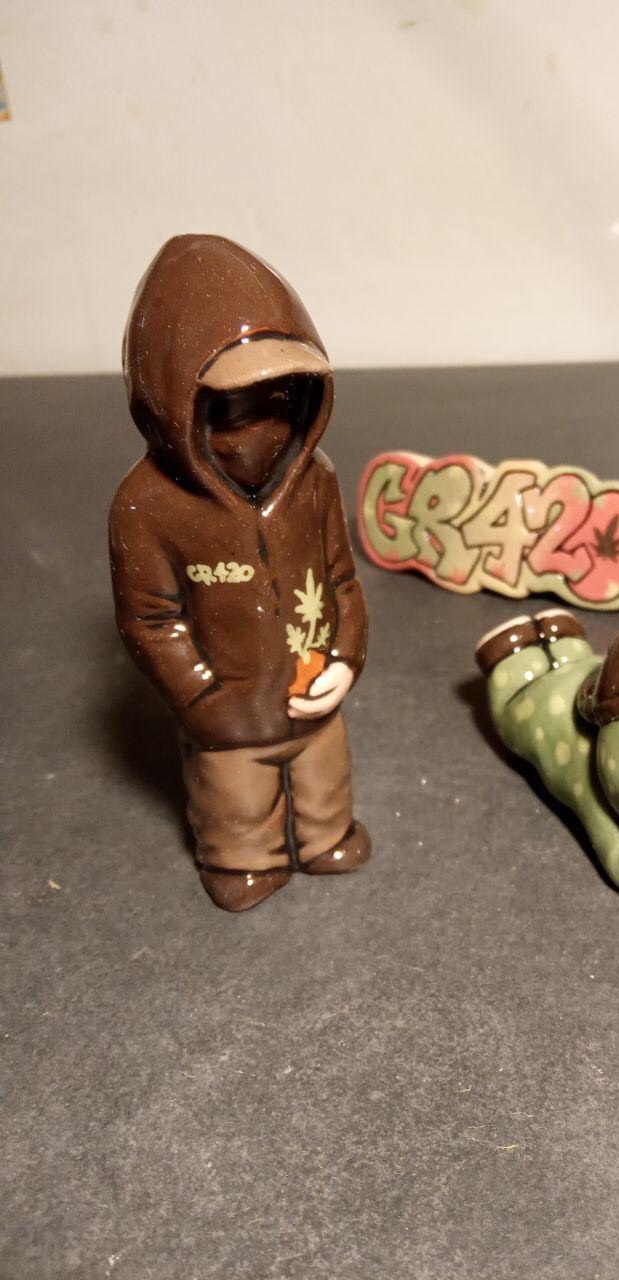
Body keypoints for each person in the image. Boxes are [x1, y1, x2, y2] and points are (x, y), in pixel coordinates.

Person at [110, 234, 370, 911]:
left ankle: (326, 837)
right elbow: (151, 620)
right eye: (230, 407)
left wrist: (345, 659)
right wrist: (204, 700)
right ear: (173, 402)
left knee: (324, 782)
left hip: (313, 695)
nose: (262, 428)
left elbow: (341, 581)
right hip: (225, 717)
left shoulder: (315, 482)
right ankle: (243, 863)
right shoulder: (147, 506)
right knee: (237, 804)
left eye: (284, 397)